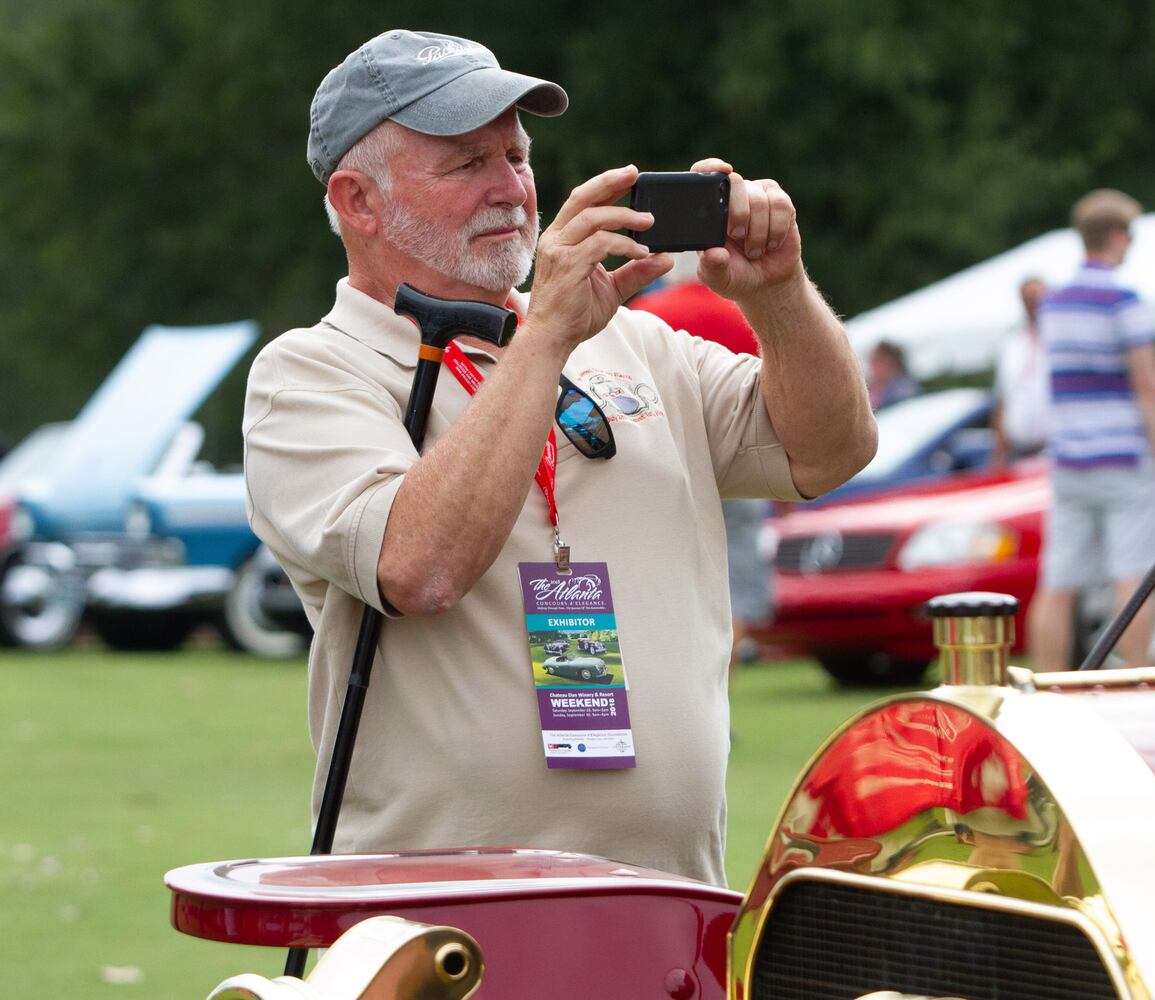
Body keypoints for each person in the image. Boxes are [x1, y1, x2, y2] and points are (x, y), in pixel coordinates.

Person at [241, 29, 875, 887]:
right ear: (358, 201)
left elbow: (832, 452)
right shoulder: (309, 374)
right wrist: (543, 338)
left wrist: (781, 294)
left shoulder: (636, 341)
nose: (511, 188)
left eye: (517, 155)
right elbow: (418, 568)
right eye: (467, 165)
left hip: (672, 909)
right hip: (441, 931)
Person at [1026, 189, 1155, 672]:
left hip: (1070, 459)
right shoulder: (1123, 298)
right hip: (1122, 457)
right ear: (1116, 236)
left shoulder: (1054, 303)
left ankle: (1043, 690)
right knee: (1134, 576)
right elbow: (1145, 385)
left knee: (1057, 584)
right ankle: (1135, 682)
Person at [630, 255, 774, 667]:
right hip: (740, 459)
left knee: (658, 574)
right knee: (735, 582)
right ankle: (723, 705)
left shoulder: (643, 315)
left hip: (661, 460)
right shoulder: (744, 315)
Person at [991, 277, 1050, 468]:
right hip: (1019, 453)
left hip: (1055, 449)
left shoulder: (1062, 338)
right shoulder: (1012, 343)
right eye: (1028, 299)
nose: (1034, 304)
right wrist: (998, 454)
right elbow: (1003, 399)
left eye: (1038, 298)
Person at [867, 340, 919, 410]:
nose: (873, 366)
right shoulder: (872, 387)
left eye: (878, 361)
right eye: (873, 361)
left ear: (892, 364)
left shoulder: (904, 389)